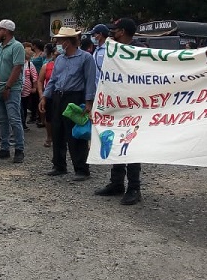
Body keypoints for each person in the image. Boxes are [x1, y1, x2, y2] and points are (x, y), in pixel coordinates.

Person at [94, 18, 143, 205]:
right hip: (116, 103)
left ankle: (134, 187)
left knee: (131, 144)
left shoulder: (139, 50)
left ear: (122, 32)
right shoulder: (113, 50)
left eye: (115, 30)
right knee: (116, 141)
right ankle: (116, 183)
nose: (112, 33)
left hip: (135, 106)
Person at [39, 27, 97, 181]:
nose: (57, 43)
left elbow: (90, 81)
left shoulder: (86, 58)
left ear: (67, 42)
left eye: (59, 40)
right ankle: (59, 165)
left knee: (75, 134)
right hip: (58, 96)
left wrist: (88, 102)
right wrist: (45, 97)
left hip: (75, 97)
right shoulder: (60, 59)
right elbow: (53, 80)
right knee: (57, 131)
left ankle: (82, 169)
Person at [0, 19, 26, 163]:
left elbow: (17, 68)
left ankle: (19, 149)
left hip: (11, 88)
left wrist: (8, 87)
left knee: (14, 118)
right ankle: (4, 148)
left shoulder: (17, 47)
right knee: (2, 119)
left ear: (6, 31)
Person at [37, 44, 58, 148]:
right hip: (49, 94)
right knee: (49, 117)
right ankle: (49, 137)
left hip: (62, 94)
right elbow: (40, 81)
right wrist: (41, 95)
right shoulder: (47, 66)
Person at [20, 49, 38, 131]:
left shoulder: (30, 64)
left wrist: (34, 87)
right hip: (16, 89)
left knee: (23, 107)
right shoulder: (16, 63)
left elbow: (34, 77)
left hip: (26, 90)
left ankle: (23, 123)